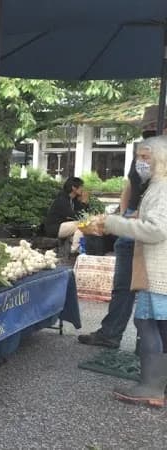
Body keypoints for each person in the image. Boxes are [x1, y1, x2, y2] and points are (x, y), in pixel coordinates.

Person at [79, 106, 165, 349]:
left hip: (155, 225)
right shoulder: (143, 150)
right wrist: (124, 212)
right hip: (132, 221)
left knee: (154, 287)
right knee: (123, 283)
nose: (149, 133)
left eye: (153, 129)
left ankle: (149, 345)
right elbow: (130, 184)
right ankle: (111, 333)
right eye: (147, 129)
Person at [95, 135, 167, 407]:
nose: (140, 162)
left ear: (161, 160)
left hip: (158, 272)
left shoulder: (161, 188)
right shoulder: (157, 187)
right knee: (162, 327)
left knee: (147, 324)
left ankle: (151, 386)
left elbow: (157, 230)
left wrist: (116, 224)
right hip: (158, 270)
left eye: (145, 157)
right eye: (138, 157)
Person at [44, 177, 89, 252]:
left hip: (64, 226)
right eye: (81, 187)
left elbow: (82, 214)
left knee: (83, 226)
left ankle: (77, 248)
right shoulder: (62, 199)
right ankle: (75, 249)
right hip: (55, 228)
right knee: (82, 224)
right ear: (74, 188)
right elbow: (75, 216)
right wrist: (83, 203)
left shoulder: (73, 200)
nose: (82, 189)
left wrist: (85, 203)